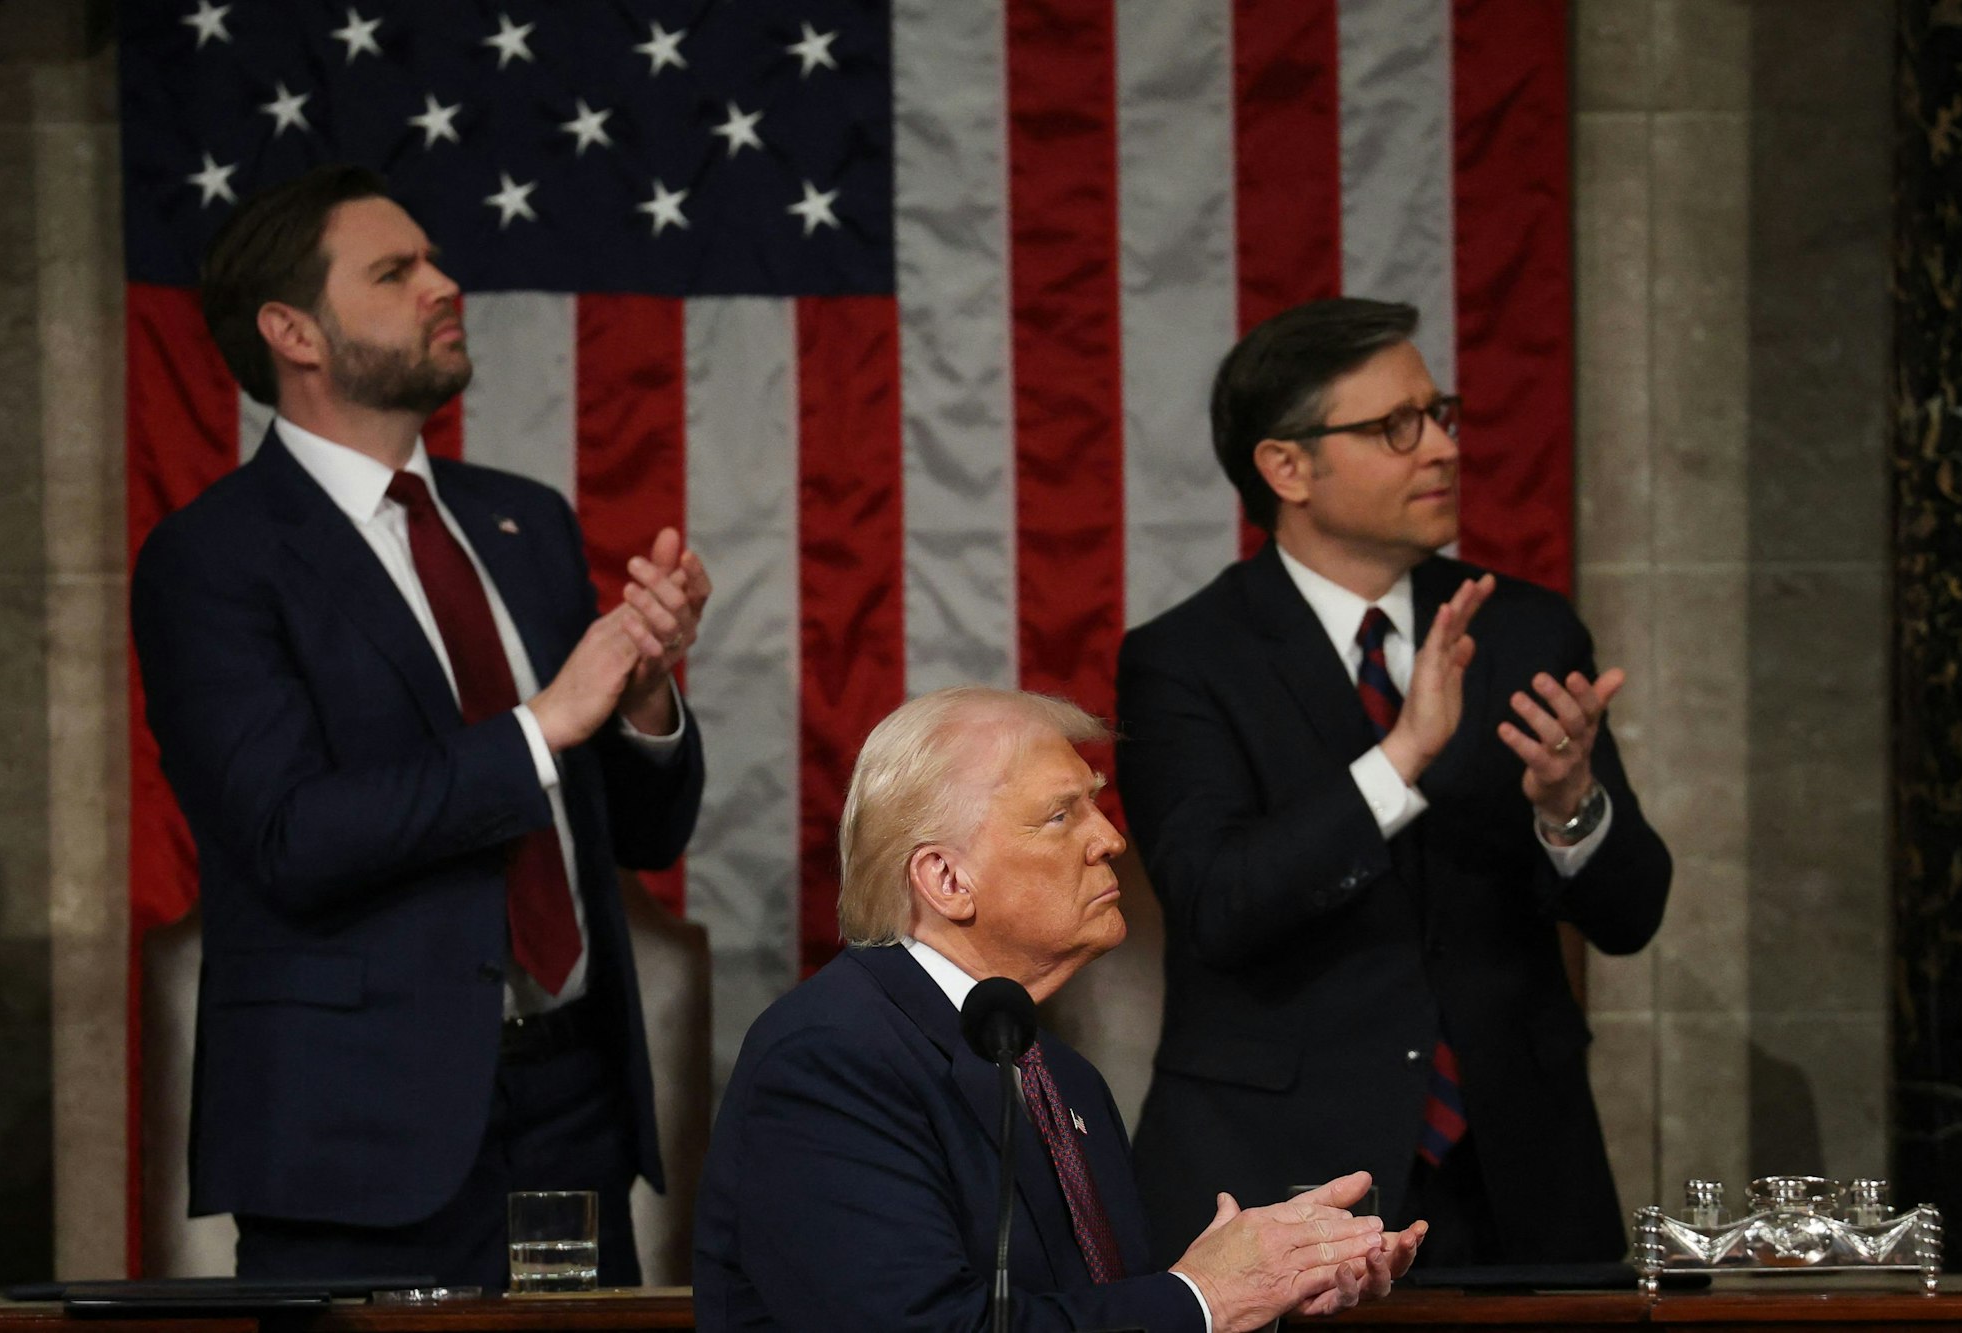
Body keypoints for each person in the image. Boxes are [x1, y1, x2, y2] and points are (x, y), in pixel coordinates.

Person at [131, 165, 708, 1286]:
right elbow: (290, 838)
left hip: (574, 1111)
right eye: (396, 272)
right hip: (358, 1138)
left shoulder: (523, 522)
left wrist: (641, 697)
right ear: (291, 330)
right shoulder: (214, 558)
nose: (444, 285)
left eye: (434, 261)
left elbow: (640, 834)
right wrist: (542, 723)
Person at [1117, 298, 1672, 1269]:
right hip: (1275, 1179)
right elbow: (1215, 900)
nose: (1441, 450)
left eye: (1440, 413)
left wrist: (1568, 808)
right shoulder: (1185, 659)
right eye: (1393, 428)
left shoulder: (1526, 630)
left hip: (1518, 1181)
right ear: (1285, 467)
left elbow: (1629, 915)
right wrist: (1398, 759)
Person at [694, 687, 1425, 1332]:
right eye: (1060, 814)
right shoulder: (831, 1058)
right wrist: (1199, 1298)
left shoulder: (1064, 1079)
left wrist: (1255, 1290)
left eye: (1097, 804)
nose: (1110, 838)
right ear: (946, 878)